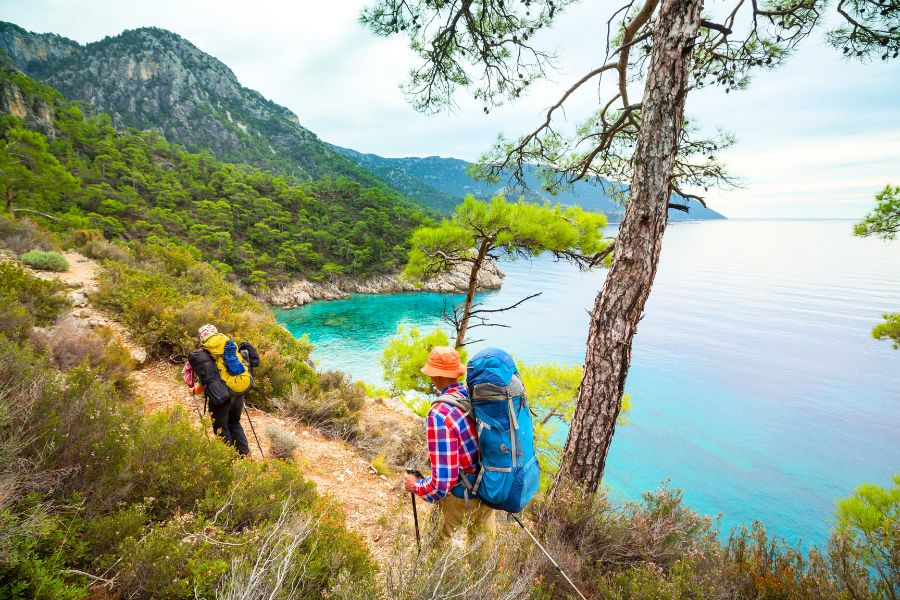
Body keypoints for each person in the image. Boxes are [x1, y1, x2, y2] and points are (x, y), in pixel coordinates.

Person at [403, 346, 497, 544]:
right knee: (485, 562)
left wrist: (416, 486)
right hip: (489, 488)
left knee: (434, 552)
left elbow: (442, 484)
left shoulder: (439, 415)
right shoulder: (471, 395)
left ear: (435, 376)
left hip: (460, 498)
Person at [188, 324, 251, 456]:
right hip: (238, 392)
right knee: (234, 423)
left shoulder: (204, 354)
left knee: (221, 428)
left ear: (203, 337)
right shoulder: (229, 346)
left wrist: (194, 391)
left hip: (221, 397)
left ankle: (228, 459)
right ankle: (244, 455)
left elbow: (205, 381)